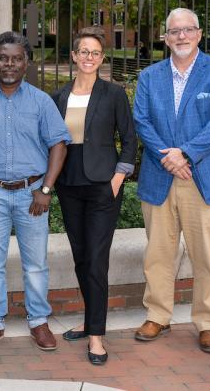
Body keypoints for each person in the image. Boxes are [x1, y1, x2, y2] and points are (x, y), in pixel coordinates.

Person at [133, 8, 210, 353]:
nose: (181, 36)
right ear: (165, 37)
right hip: (161, 177)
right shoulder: (150, 76)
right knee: (158, 254)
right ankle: (157, 315)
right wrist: (169, 157)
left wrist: (186, 154)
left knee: (206, 257)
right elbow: (142, 121)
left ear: (199, 33)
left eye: (187, 30)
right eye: (174, 31)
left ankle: (208, 323)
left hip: (204, 179)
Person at [0, 31, 70, 354]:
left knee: (35, 264)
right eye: (3, 58)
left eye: (16, 58)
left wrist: (46, 189)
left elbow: (59, 145)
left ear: (27, 63)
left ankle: (39, 320)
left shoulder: (41, 102)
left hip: (32, 195)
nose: (9, 64)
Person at [50, 27, 137, 365]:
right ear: (74, 56)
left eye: (94, 52)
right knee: (82, 258)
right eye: (82, 51)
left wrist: (118, 178)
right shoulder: (58, 97)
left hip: (104, 186)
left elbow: (129, 139)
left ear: (102, 58)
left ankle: (97, 336)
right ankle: (89, 321)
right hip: (69, 186)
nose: (88, 57)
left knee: (97, 261)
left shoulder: (114, 94)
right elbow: (53, 142)